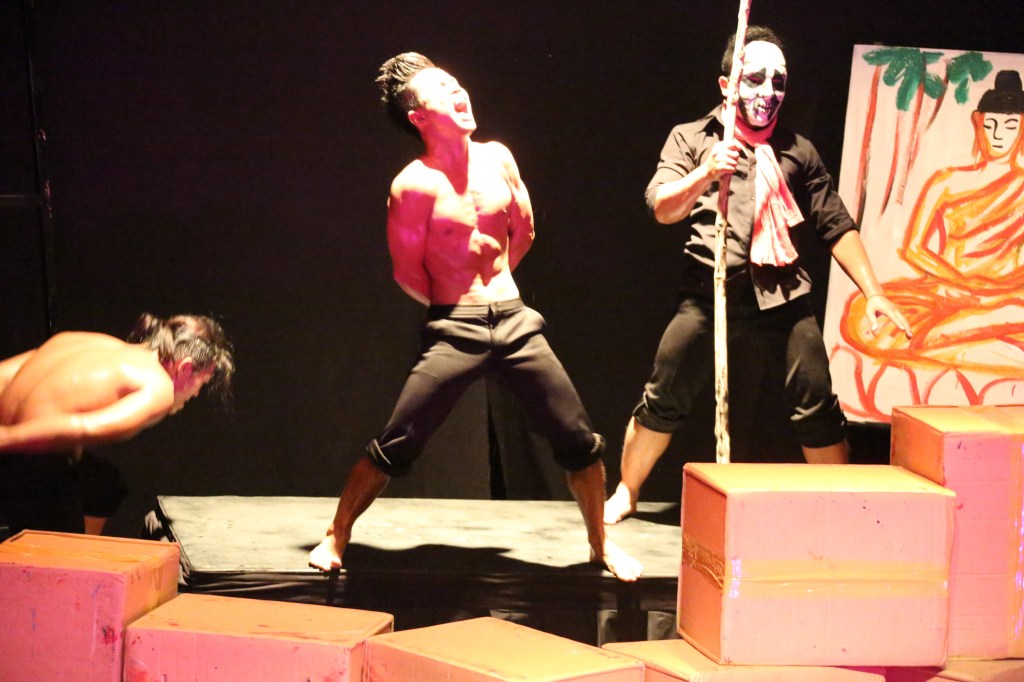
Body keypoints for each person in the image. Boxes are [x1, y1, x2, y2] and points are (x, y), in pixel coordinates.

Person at [309, 52, 642, 581]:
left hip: (513, 320)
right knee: (397, 441)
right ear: (419, 116)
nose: (459, 92)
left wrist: (496, 294)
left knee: (579, 441)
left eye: (456, 82)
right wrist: (458, 306)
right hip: (455, 325)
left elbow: (524, 232)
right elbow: (407, 271)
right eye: (443, 89)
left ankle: (600, 545)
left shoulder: (498, 158)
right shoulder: (412, 185)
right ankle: (337, 534)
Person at [604, 26, 912, 524]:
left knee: (816, 403)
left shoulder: (798, 150)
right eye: (754, 79)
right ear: (726, 85)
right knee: (663, 397)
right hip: (708, 294)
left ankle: (843, 507)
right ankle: (627, 490)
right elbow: (662, 208)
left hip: (782, 294)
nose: (768, 91)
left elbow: (835, 223)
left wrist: (873, 292)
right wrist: (706, 172)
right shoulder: (692, 138)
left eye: (778, 81)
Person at [839, 70, 1024, 377]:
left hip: (1004, 296)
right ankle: (978, 334)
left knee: (1014, 308)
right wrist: (963, 284)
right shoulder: (948, 182)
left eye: (1010, 126)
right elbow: (914, 248)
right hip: (947, 293)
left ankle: (958, 335)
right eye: (991, 124)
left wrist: (995, 291)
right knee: (863, 319)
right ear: (978, 122)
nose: (999, 135)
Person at [0, 313, 234, 535]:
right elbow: (83, 427)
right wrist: (6, 438)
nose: (196, 394)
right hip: (29, 454)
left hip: (19, 445)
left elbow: (7, 373)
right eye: (201, 383)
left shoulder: (93, 342)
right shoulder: (157, 385)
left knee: (103, 483)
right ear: (185, 368)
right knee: (57, 552)